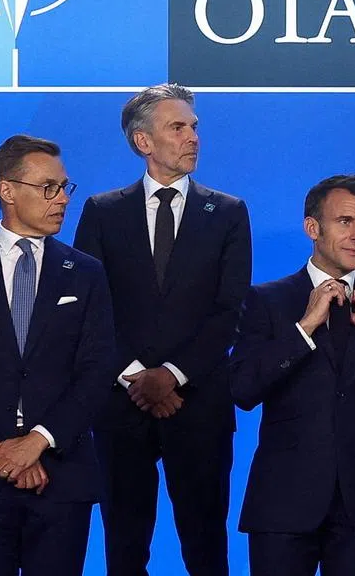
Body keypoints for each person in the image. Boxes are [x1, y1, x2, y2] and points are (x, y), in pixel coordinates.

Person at [73, 83, 252, 576]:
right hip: (120, 405)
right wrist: (137, 376)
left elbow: (230, 310)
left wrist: (171, 375)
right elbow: (91, 307)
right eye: (179, 127)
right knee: (124, 548)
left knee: (206, 547)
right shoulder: (102, 212)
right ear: (143, 141)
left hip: (198, 406)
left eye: (194, 126)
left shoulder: (229, 213)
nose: (193, 137)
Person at [0, 134, 115, 575]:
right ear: (7, 190)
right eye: (48, 187)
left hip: (61, 475)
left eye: (64, 188)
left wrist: (37, 442)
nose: (62, 200)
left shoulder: (86, 274)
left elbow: (96, 369)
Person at [230, 175, 355, 576]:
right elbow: (242, 388)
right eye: (345, 221)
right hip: (283, 505)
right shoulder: (267, 300)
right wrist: (304, 327)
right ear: (312, 228)